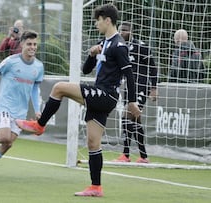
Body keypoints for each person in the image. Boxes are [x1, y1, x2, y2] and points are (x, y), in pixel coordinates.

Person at [16, 4, 141, 197]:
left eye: (98, 21)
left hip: (105, 95)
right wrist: (92, 55)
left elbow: (130, 75)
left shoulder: (118, 45)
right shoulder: (104, 43)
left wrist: (132, 102)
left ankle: (40, 125)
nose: (96, 24)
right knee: (93, 142)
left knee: (59, 88)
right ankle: (96, 187)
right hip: (101, 95)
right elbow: (85, 70)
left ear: (107, 20)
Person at [0, 30, 44, 176]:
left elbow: (35, 89)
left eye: (35, 44)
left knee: (8, 144)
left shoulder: (39, 66)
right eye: (29, 44)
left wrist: (37, 109)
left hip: (21, 111)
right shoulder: (11, 61)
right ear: (22, 44)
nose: (32, 47)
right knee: (4, 137)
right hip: (5, 105)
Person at [114, 22, 158, 164]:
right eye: (120, 30)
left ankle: (126, 155)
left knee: (127, 115)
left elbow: (153, 67)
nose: (122, 33)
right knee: (135, 119)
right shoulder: (119, 47)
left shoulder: (141, 46)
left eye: (125, 30)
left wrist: (154, 87)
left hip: (141, 85)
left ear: (131, 32)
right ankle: (143, 156)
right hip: (129, 86)